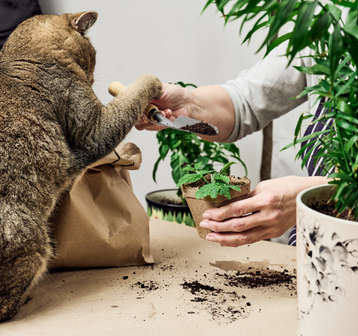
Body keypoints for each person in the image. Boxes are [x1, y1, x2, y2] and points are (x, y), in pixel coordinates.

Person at [136, 56, 329, 247]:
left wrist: (317, 194)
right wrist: (188, 104)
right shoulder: (325, 31)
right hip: (313, 249)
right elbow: (245, 101)